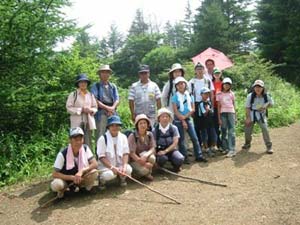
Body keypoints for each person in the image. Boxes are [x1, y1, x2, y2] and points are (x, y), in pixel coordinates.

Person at [51, 127, 98, 198]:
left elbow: (95, 164)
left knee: (94, 172)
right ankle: (62, 191)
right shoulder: (63, 154)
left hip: (81, 177)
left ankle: (86, 188)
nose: (78, 142)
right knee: (56, 184)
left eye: (80, 139)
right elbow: (55, 174)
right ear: (70, 140)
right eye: (76, 140)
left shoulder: (85, 148)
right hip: (66, 180)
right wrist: (72, 178)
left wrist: (82, 171)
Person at [172, 77, 207, 164]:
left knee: (194, 137)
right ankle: (184, 157)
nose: (181, 85)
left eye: (182, 83)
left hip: (187, 118)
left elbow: (193, 109)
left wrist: (184, 118)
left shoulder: (189, 95)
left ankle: (199, 155)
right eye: (178, 84)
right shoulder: (174, 97)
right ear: (176, 86)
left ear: (185, 85)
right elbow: (175, 111)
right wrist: (182, 119)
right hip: (178, 119)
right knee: (181, 139)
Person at [97, 115, 132, 190]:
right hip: (106, 167)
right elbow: (101, 157)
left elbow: (125, 153)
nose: (114, 127)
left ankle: (121, 178)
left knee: (128, 169)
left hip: (119, 164)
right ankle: (101, 180)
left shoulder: (123, 137)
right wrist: (112, 167)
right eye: (112, 125)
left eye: (117, 125)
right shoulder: (103, 139)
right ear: (108, 127)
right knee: (109, 175)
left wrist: (124, 165)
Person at [242, 80, 274, 154]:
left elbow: (272, 104)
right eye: (256, 87)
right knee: (247, 129)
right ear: (254, 88)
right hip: (252, 113)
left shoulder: (266, 95)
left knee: (265, 128)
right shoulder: (250, 96)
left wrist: (265, 107)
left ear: (263, 88)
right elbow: (247, 107)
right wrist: (248, 118)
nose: (258, 88)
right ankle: (247, 143)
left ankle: (269, 146)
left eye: (259, 87)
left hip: (261, 115)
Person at [66, 74, 97, 149]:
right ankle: (75, 159)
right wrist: (80, 110)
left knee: (88, 141)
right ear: (78, 84)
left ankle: (88, 159)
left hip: (88, 122)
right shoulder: (73, 95)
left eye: (85, 82)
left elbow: (95, 107)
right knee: (76, 140)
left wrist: (90, 110)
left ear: (87, 83)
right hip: (76, 122)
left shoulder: (91, 95)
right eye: (81, 82)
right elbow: (68, 108)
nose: (83, 84)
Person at [91, 65, 119, 142]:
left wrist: (112, 108)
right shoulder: (95, 86)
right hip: (101, 113)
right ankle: (99, 153)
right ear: (99, 74)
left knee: (114, 133)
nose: (105, 74)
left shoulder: (113, 86)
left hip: (113, 112)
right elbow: (95, 100)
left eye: (107, 72)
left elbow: (117, 99)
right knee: (100, 134)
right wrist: (107, 108)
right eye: (103, 72)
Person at [189, 62, 214, 148]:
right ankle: (199, 145)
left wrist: (212, 106)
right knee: (198, 126)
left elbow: (211, 93)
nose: (199, 71)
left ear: (204, 70)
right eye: (198, 69)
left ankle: (209, 145)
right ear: (195, 71)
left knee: (209, 125)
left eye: (201, 69)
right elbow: (190, 96)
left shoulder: (208, 80)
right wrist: (191, 109)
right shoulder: (192, 82)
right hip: (196, 104)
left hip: (207, 103)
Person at [153, 108, 184, 172]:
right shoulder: (155, 130)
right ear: (159, 118)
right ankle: (160, 167)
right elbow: (153, 144)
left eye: (167, 116)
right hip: (160, 150)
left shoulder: (174, 128)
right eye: (163, 116)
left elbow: (175, 143)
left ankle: (176, 166)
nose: (165, 118)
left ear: (170, 118)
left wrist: (165, 151)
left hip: (172, 150)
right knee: (162, 158)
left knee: (180, 158)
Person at [129, 114, 156, 180]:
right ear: (137, 125)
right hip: (134, 160)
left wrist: (146, 155)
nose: (143, 125)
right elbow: (131, 153)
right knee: (143, 171)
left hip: (144, 157)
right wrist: (143, 163)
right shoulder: (132, 136)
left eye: (145, 123)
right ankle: (136, 174)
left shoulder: (150, 134)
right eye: (140, 123)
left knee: (152, 158)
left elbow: (153, 148)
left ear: (147, 124)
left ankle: (148, 173)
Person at [216, 77, 237, 157]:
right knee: (223, 131)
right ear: (223, 85)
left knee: (231, 131)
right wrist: (219, 118)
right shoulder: (219, 94)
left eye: (228, 84)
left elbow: (234, 105)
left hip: (231, 112)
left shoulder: (232, 93)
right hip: (223, 113)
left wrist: (235, 116)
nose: (227, 86)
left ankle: (232, 149)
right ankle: (225, 148)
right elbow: (218, 107)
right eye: (225, 84)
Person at [197, 87, 217, 157]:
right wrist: (208, 110)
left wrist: (209, 110)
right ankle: (205, 148)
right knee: (204, 135)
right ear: (201, 95)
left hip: (210, 121)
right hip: (203, 122)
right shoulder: (200, 104)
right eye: (205, 94)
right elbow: (204, 113)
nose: (207, 95)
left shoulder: (209, 102)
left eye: (208, 94)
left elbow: (212, 112)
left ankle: (212, 146)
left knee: (213, 134)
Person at [212, 68, 223, 150]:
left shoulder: (223, 83)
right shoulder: (211, 83)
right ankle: (218, 143)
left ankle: (224, 143)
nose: (217, 74)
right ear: (213, 74)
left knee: (223, 126)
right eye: (215, 73)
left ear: (221, 74)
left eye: (218, 73)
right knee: (215, 126)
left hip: (223, 107)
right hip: (215, 107)